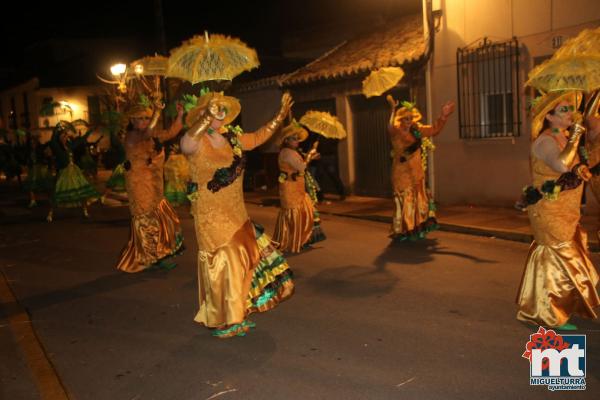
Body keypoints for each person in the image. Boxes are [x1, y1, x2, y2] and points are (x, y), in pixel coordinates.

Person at [181, 91, 295, 338]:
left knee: (246, 259)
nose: (219, 113)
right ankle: (224, 319)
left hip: (236, 210)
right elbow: (185, 144)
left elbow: (257, 137)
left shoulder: (233, 138)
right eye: (213, 109)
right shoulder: (198, 140)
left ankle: (237, 311)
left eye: (221, 109)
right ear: (203, 113)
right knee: (226, 261)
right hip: (211, 214)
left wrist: (279, 117)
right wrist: (204, 120)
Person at [516, 90, 600, 330]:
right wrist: (575, 136)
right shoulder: (544, 141)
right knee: (560, 257)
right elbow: (562, 165)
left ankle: (562, 304)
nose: (570, 114)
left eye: (570, 109)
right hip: (548, 210)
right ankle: (549, 313)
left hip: (567, 210)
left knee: (565, 256)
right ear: (549, 117)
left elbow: (578, 169)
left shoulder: (562, 136)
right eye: (563, 110)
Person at [115, 98, 184, 273]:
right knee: (146, 220)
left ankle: (158, 253)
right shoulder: (131, 136)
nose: (145, 121)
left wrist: (181, 114)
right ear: (132, 120)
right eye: (140, 118)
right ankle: (152, 257)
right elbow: (146, 134)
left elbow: (172, 132)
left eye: (146, 118)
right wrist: (157, 112)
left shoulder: (150, 134)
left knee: (159, 216)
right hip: (138, 184)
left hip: (154, 184)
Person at [385, 96, 455, 240]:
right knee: (405, 202)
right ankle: (404, 230)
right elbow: (390, 127)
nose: (409, 121)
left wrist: (443, 116)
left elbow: (434, 130)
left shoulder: (417, 130)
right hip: (401, 174)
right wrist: (392, 109)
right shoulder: (396, 132)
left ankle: (416, 228)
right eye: (406, 118)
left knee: (418, 201)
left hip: (416, 172)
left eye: (411, 118)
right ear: (401, 119)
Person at [273, 121, 325, 252]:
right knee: (295, 213)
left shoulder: (292, 152)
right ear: (286, 140)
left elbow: (300, 165)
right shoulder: (287, 152)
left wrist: (310, 156)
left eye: (297, 139)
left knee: (306, 210)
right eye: (294, 139)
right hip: (290, 189)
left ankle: (303, 238)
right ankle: (295, 241)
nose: (297, 141)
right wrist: (310, 157)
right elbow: (301, 166)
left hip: (297, 187)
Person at [47, 123, 100, 221]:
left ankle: (85, 212)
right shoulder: (56, 147)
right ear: (59, 138)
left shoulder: (70, 146)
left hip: (74, 172)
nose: (64, 137)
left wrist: (90, 131)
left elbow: (82, 139)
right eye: (62, 136)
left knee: (81, 191)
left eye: (65, 135)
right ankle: (50, 214)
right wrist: (56, 128)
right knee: (58, 193)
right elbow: (52, 140)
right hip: (64, 173)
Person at [23, 132, 52, 207]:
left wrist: (47, 162)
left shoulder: (40, 149)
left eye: (34, 143)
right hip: (32, 169)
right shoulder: (29, 151)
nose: (33, 144)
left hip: (40, 169)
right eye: (31, 143)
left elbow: (46, 156)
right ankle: (33, 200)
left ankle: (50, 199)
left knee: (44, 185)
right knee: (31, 185)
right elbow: (26, 158)